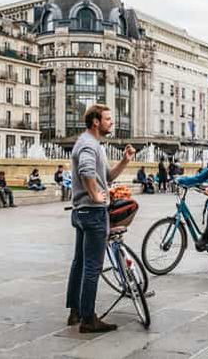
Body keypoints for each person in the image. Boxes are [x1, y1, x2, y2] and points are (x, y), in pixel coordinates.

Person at [66, 104, 135, 333]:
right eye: (107, 119)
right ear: (95, 121)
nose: (111, 122)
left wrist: (125, 160)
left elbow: (107, 176)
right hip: (93, 212)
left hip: (81, 211)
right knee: (93, 266)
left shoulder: (92, 144)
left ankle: (75, 311)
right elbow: (86, 170)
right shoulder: (88, 144)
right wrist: (95, 194)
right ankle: (88, 319)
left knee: (79, 263)